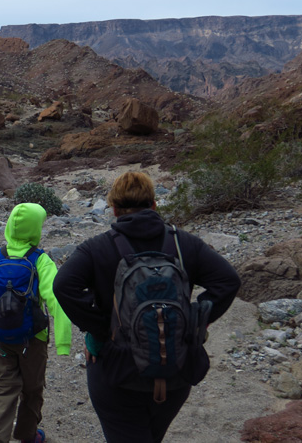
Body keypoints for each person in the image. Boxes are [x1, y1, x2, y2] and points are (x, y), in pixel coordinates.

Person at [53, 171, 241, 442]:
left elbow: (62, 286)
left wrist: (101, 331)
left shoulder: (97, 248)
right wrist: (195, 318)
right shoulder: (184, 243)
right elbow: (229, 281)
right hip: (177, 368)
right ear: (154, 205)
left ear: (114, 209)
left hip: (117, 371)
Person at [0, 202, 72, 443]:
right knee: (32, 390)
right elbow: (57, 301)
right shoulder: (41, 261)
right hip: (33, 340)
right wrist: (63, 343)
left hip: (0, 337)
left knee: (2, 388)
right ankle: (28, 435)